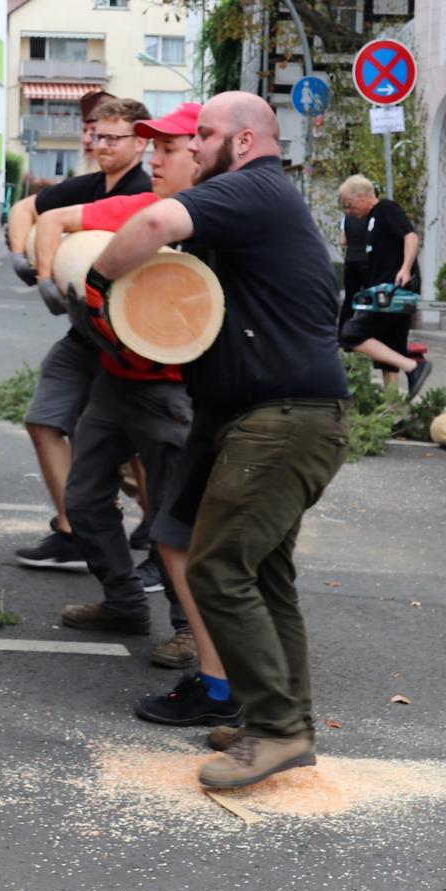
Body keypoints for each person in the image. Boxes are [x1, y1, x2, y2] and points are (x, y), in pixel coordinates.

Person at [86, 91, 351, 789]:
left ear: (242, 141)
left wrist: (98, 276)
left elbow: (153, 219)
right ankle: (283, 718)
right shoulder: (250, 202)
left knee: (215, 567)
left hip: (283, 418)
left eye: (202, 135)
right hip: (270, 415)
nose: (192, 146)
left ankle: (279, 728)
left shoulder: (254, 187)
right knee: (264, 573)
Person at [32, 105, 228, 694]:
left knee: (173, 521)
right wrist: (53, 276)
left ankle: (188, 630)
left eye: (167, 150)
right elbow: (57, 222)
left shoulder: (221, 223)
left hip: (172, 395)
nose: (155, 161)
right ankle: (123, 600)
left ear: (200, 154)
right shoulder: (139, 207)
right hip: (117, 382)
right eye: (154, 149)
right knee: (86, 501)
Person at [7, 99, 152, 569]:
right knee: (44, 420)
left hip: (129, 339)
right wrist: (20, 254)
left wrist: (48, 271)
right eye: (98, 136)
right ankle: (74, 532)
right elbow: (26, 209)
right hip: (83, 335)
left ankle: (161, 536)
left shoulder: (142, 190)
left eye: (114, 138)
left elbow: (54, 221)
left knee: (140, 446)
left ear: (140, 142)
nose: (102, 145)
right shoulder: (88, 185)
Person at [338, 176, 431, 398]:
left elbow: (410, 236)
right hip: (382, 292)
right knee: (388, 355)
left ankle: (414, 367)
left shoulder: (386, 209)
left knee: (349, 336)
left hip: (394, 291)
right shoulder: (371, 219)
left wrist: (406, 269)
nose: (349, 212)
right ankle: (393, 413)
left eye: (349, 205)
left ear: (362, 196)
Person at [337, 176, 370, 334]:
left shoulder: (347, 218)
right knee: (370, 297)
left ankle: (343, 333)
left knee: (350, 298)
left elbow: (342, 240)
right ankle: (368, 334)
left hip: (351, 260)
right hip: (367, 260)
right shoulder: (368, 216)